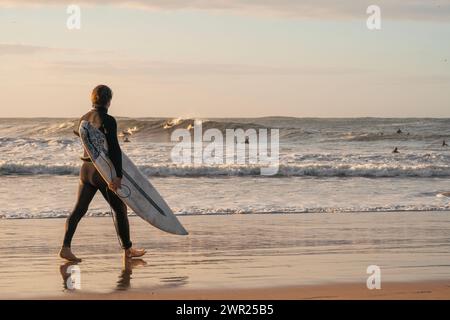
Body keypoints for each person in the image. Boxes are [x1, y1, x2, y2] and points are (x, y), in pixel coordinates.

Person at [59, 85, 146, 262]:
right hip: (102, 172)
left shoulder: (83, 118)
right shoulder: (108, 120)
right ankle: (127, 250)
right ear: (109, 100)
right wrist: (118, 175)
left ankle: (65, 247)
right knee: (120, 209)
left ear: (93, 99)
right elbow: (114, 148)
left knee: (79, 209)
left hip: (86, 170)